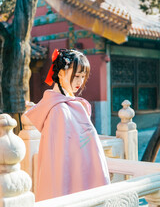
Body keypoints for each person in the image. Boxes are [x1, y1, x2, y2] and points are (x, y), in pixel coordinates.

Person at [25, 48, 110, 202]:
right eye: (76, 76)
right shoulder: (58, 109)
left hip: (83, 176)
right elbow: (59, 159)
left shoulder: (71, 105)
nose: (79, 82)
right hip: (71, 185)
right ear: (61, 73)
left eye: (83, 77)